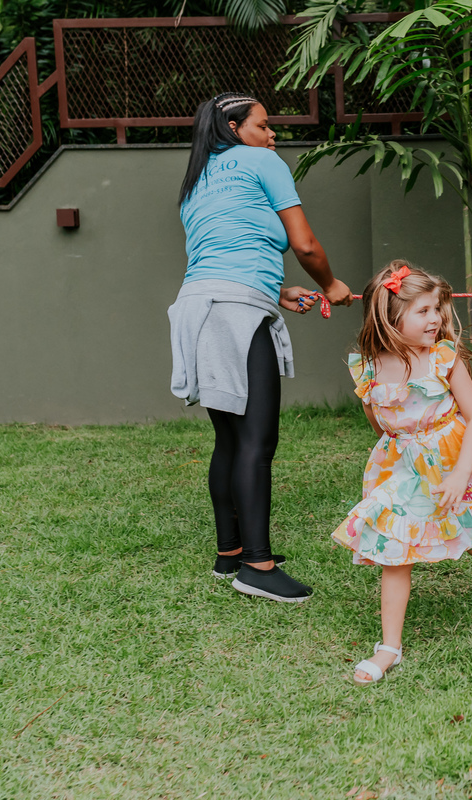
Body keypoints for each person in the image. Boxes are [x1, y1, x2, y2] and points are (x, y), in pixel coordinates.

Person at [333, 261, 472, 685]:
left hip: (456, 457)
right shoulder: (367, 368)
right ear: (389, 316)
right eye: (423, 310)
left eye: (437, 308)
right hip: (403, 470)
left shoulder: (442, 358)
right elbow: (378, 421)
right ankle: (388, 649)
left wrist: (458, 475)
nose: (436, 318)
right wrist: (398, 456)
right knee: (394, 553)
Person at [168, 92, 353, 602]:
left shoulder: (196, 182)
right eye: (264, 125)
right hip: (234, 312)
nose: (273, 136)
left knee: (229, 439)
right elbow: (306, 244)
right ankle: (258, 566)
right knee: (257, 441)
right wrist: (332, 284)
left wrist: (277, 290)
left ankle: (230, 554)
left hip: (198, 307)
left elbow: (222, 253)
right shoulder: (261, 162)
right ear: (234, 126)